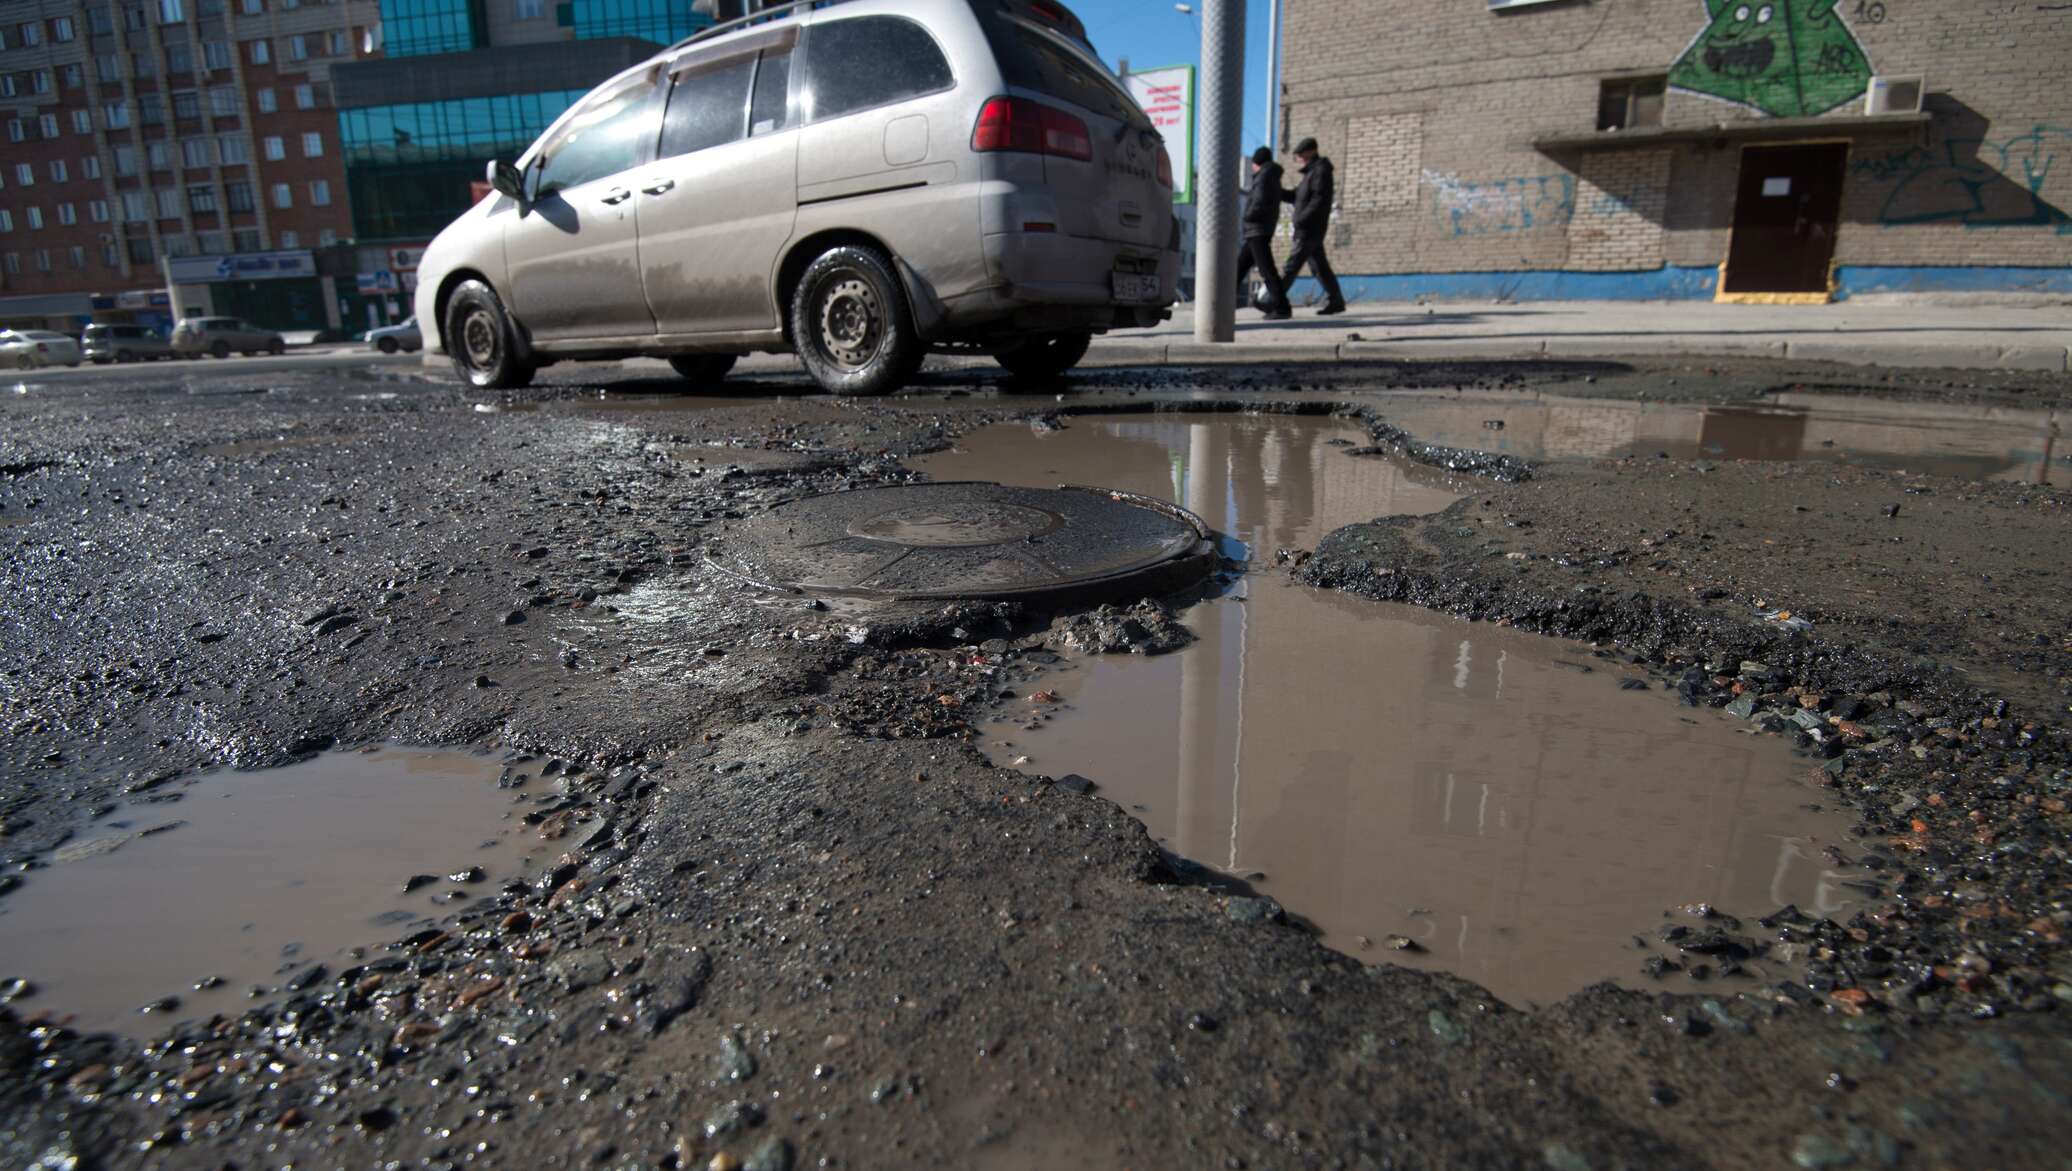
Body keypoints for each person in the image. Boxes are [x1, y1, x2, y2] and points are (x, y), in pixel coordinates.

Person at [1279, 137, 1346, 315]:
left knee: (1292, 265)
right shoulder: (1311, 173)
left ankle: (1275, 302)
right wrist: (1277, 192)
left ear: (1311, 151)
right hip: (1311, 228)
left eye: (1300, 153)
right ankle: (1336, 301)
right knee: (1320, 267)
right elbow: (1296, 196)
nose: (1298, 157)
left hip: (1309, 228)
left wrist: (1302, 219)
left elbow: (1319, 199)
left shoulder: (1320, 171)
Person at [1235, 146, 1292, 320]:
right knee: (1239, 267)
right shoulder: (1271, 176)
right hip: (1259, 228)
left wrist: (1248, 216)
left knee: (1267, 270)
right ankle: (1224, 302)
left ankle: (1282, 307)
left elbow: (1258, 201)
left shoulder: (1264, 176)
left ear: (1256, 163)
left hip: (1257, 228)